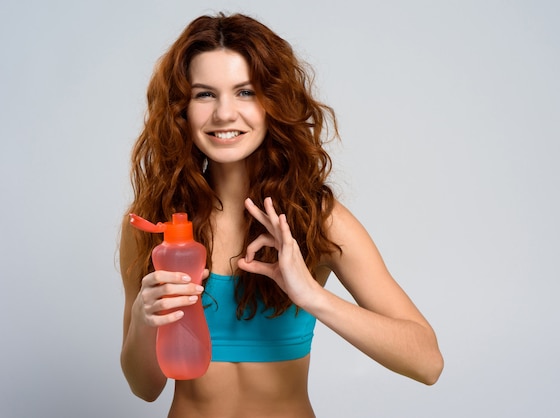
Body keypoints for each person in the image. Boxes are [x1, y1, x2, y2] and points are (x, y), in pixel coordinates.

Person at [119, 12, 443, 418]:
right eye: (204, 94)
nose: (223, 114)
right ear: (180, 111)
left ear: (273, 102)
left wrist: (311, 295)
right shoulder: (153, 224)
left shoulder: (317, 219)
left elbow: (427, 363)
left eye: (245, 92)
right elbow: (144, 387)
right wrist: (143, 318)